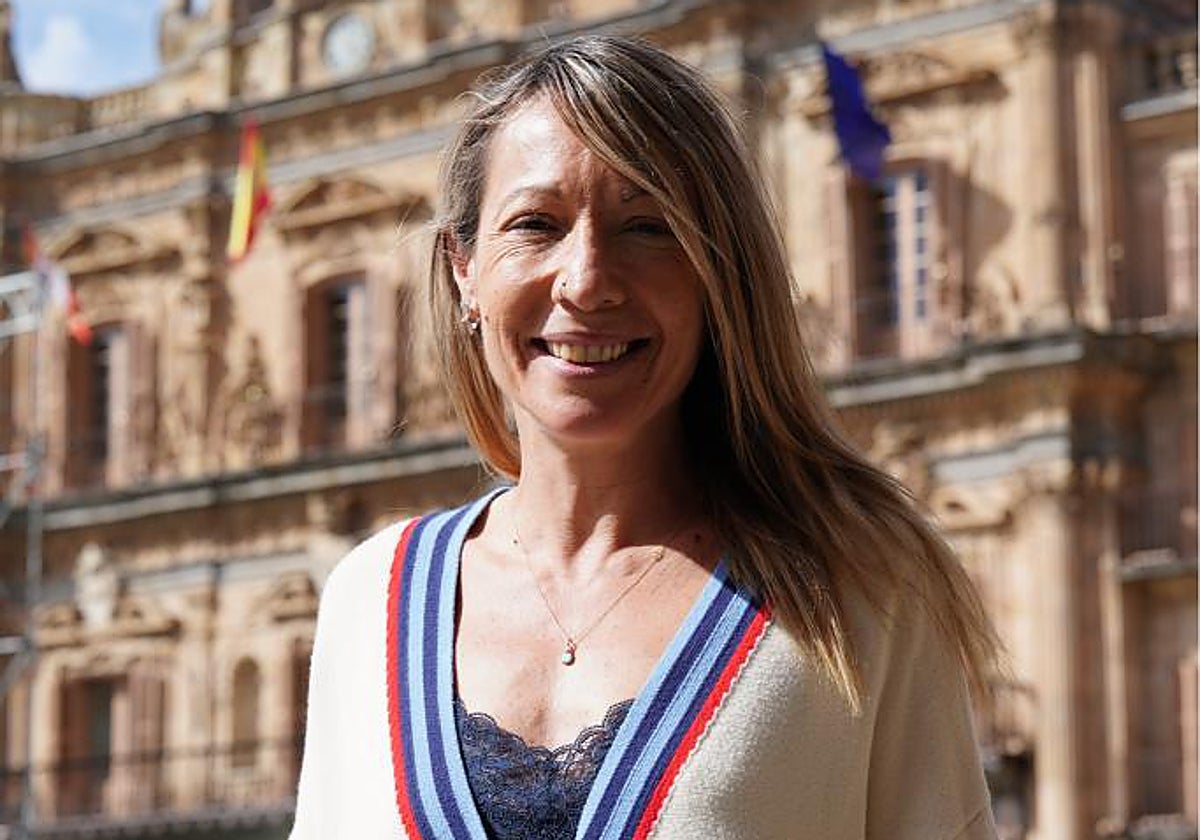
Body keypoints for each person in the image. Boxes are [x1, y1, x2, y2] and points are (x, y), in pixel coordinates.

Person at [290, 35, 1002, 840]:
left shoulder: (862, 590)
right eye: (535, 224)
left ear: (717, 272)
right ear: (464, 270)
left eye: (648, 227)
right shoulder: (368, 600)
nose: (587, 279)